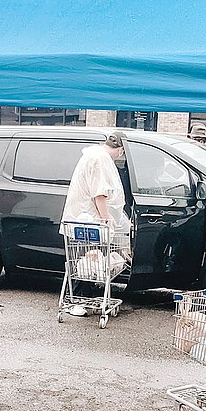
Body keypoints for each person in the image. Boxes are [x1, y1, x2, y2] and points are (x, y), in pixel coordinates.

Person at [60, 132, 129, 316]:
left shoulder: (97, 155)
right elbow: (99, 193)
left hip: (86, 218)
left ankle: (84, 298)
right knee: (84, 262)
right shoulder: (100, 159)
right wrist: (106, 219)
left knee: (86, 261)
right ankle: (77, 301)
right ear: (121, 150)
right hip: (88, 220)